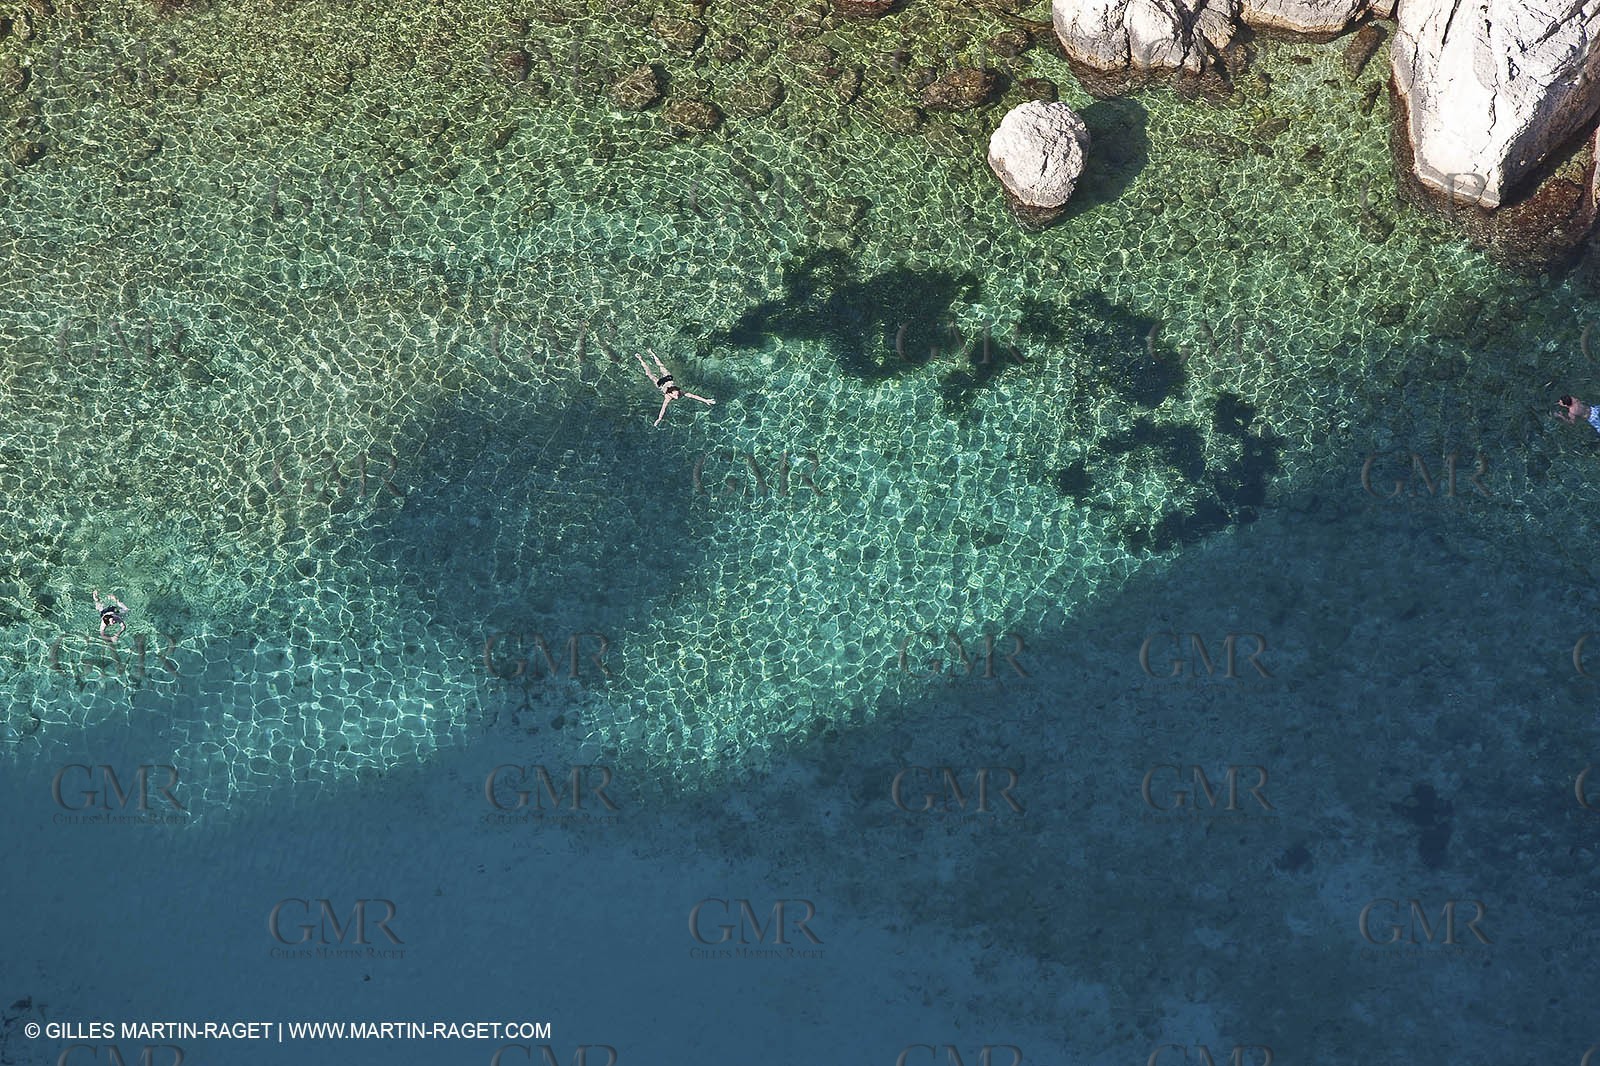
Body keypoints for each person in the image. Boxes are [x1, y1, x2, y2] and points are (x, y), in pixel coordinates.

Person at [634, 348, 715, 426]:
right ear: (670, 394)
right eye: (675, 395)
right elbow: (663, 409)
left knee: (660, 367)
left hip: (669, 379)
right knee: (649, 373)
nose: (677, 397)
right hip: (661, 384)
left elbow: (693, 396)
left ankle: (651, 353)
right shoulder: (667, 398)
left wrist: (705, 400)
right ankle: (642, 358)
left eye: (677, 394)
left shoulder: (680, 393)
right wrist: (659, 418)